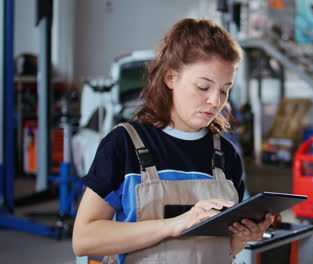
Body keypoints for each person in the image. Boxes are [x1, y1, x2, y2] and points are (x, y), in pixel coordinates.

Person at [72, 18, 272, 264]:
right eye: (203, 86)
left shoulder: (226, 155)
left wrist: (243, 237)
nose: (215, 101)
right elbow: (84, 240)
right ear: (170, 78)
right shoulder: (124, 144)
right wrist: (176, 224)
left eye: (224, 90)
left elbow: (222, 247)